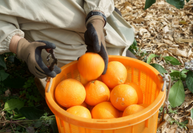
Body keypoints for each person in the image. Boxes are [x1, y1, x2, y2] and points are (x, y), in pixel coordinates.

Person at [0, 0, 135, 93]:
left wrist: (97, 16)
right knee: (75, 95)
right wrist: (20, 46)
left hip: (88, 18)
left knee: (127, 77)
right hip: (52, 40)